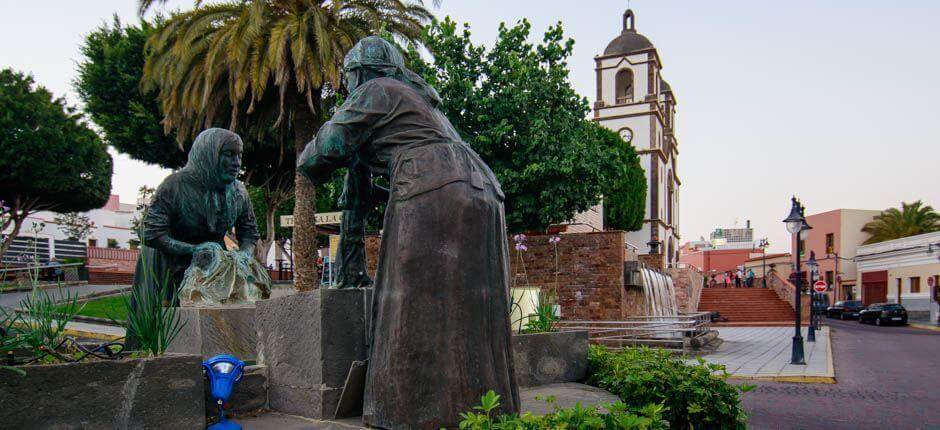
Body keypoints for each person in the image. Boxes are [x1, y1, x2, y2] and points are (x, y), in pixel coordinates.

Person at [298, 36, 519, 428]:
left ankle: (407, 413)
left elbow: (325, 149)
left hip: (432, 181)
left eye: (350, 78)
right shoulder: (419, 99)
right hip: (483, 185)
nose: (350, 87)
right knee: (473, 304)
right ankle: (484, 408)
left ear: (360, 73)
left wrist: (308, 154)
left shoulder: (376, 90)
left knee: (408, 299)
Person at [132, 128, 260, 308]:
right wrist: (193, 250)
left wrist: (244, 255)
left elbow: (249, 233)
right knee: (170, 326)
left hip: (214, 265)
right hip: (170, 265)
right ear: (208, 154)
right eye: (229, 155)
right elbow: (149, 233)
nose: (236, 163)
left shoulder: (239, 191)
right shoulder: (174, 185)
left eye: (239, 155)